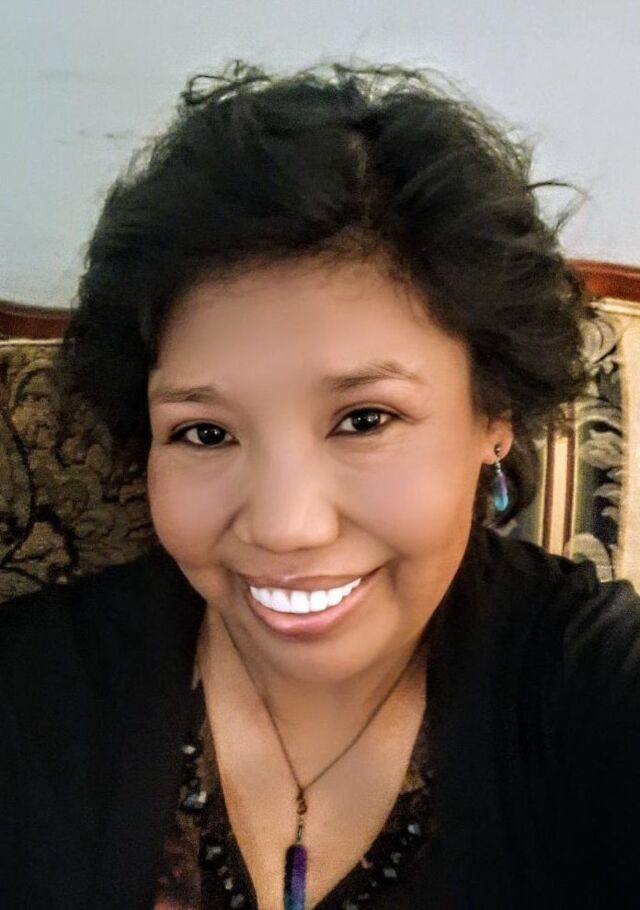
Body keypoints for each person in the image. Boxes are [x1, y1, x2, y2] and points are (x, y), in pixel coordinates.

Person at [1, 59, 639, 910]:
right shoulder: (33, 696)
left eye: (365, 419)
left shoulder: (590, 688)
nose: (285, 526)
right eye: (205, 432)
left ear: (495, 415)